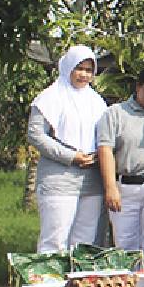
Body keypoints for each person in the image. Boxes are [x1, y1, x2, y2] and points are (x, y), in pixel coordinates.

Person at [27, 45, 108, 252]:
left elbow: (105, 135)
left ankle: (78, 284)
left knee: (84, 242)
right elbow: (35, 134)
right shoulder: (49, 97)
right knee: (54, 239)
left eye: (89, 70)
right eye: (79, 68)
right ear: (67, 67)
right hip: (59, 178)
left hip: (91, 179)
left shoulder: (96, 101)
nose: (84, 74)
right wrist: (71, 156)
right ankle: (49, 284)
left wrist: (98, 155)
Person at [97, 65, 144, 268]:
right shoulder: (115, 114)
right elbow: (105, 150)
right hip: (124, 189)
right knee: (126, 245)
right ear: (138, 87)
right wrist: (110, 188)